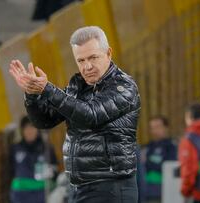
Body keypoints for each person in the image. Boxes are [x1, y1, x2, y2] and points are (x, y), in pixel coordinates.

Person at [9, 26, 141, 203]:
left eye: (93, 57)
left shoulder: (124, 87)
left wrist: (47, 89)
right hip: (78, 187)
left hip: (111, 187)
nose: (87, 66)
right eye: (81, 60)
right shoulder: (77, 86)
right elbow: (44, 122)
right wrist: (32, 94)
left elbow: (91, 115)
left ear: (108, 53)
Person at [9, 116, 57, 203]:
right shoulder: (15, 149)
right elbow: (9, 172)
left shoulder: (46, 149)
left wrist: (51, 171)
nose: (29, 131)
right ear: (22, 131)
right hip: (20, 196)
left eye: (32, 128)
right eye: (26, 128)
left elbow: (55, 170)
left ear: (37, 130)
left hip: (42, 195)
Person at [142, 115, 177, 203]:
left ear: (166, 128)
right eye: (152, 128)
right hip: (146, 192)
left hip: (163, 192)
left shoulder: (171, 147)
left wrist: (147, 162)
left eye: (158, 127)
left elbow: (167, 167)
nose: (154, 131)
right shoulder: (148, 147)